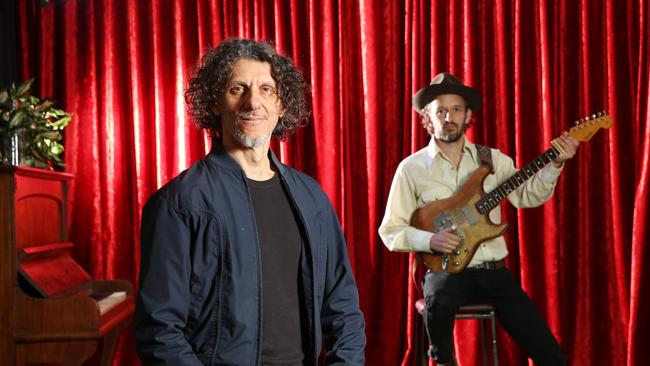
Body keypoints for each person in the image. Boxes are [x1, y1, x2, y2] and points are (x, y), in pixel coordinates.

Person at [134, 38, 366, 366]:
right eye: (237, 89)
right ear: (215, 103)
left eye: (267, 89)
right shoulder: (178, 204)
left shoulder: (312, 198)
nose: (253, 101)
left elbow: (343, 309)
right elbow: (159, 331)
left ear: (282, 105)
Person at [378, 73, 577, 366]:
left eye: (456, 109)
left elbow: (527, 196)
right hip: (447, 272)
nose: (449, 117)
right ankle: (443, 362)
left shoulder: (492, 160)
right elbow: (390, 231)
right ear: (428, 119)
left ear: (468, 115)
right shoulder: (411, 169)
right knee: (438, 302)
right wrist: (430, 240)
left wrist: (555, 162)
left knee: (549, 352)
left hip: (493, 273)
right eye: (440, 110)